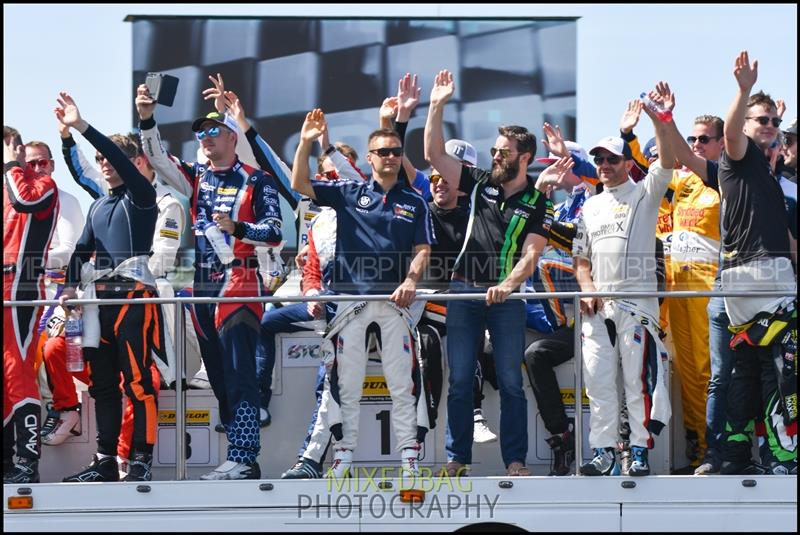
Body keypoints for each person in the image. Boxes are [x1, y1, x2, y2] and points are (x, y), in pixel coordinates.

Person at [139, 85, 283, 480]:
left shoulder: (258, 181)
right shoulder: (195, 177)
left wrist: (237, 226)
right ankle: (238, 458)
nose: (205, 139)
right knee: (218, 377)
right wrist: (147, 117)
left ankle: (244, 456)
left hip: (241, 279)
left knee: (239, 374)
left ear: (232, 138)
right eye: (200, 134)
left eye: (213, 132)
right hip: (201, 284)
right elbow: (155, 157)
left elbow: (273, 232)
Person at [425, 69, 561, 477]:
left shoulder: (540, 202)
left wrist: (507, 285)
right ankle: (457, 459)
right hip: (464, 293)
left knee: (511, 383)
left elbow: (532, 254)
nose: (495, 155)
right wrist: (436, 105)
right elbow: (434, 155)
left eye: (503, 151)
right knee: (461, 380)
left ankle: (515, 461)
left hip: (508, 301)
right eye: (495, 149)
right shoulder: (479, 182)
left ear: (525, 158)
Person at [291, 107, 434, 479]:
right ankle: (343, 457)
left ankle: (409, 460)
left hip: (395, 304)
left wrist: (411, 281)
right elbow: (299, 184)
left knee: (402, 384)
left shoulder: (415, 201)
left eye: (396, 151)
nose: (390, 157)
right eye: (383, 152)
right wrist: (306, 142)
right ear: (369, 158)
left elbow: (422, 250)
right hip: (350, 302)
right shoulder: (347, 191)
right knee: (346, 383)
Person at [54, 92, 163, 483]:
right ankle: (104, 459)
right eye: (101, 160)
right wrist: (68, 289)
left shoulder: (142, 197)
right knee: (103, 386)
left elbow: (119, 159)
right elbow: (82, 250)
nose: (105, 164)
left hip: (134, 298)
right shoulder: (100, 205)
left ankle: (141, 457)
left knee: (137, 382)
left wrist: (82, 128)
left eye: (111, 159)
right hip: (99, 304)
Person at [573, 89, 675, 477]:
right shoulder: (591, 205)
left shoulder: (645, 193)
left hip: (637, 304)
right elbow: (580, 258)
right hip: (598, 307)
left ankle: (638, 450)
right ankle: (604, 452)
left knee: (639, 383)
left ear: (627, 162)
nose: (603, 165)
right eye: (598, 159)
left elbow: (665, 161)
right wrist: (586, 286)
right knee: (599, 383)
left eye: (611, 159)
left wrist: (660, 121)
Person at [716, 52, 797, 475]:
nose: (768, 125)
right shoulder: (740, 155)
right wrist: (744, 91)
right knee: (783, 365)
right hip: (764, 273)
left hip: (747, 279)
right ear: (747, 126)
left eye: (773, 122)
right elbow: (730, 134)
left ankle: (734, 455)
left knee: (749, 366)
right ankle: (782, 455)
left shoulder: (763, 171)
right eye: (760, 120)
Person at [19, 138, 86, 447]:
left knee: (50, 349)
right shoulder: (16, 203)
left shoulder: (66, 199)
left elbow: (70, 250)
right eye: (29, 163)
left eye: (41, 163)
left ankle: (67, 409)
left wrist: (24, 257)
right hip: (25, 288)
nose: (36, 169)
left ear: (52, 165)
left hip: (62, 290)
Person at [3, 126, 60, 484]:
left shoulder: (41, 185)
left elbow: (26, 201)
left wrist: (13, 163)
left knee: (17, 372)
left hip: (21, 287)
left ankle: (26, 462)